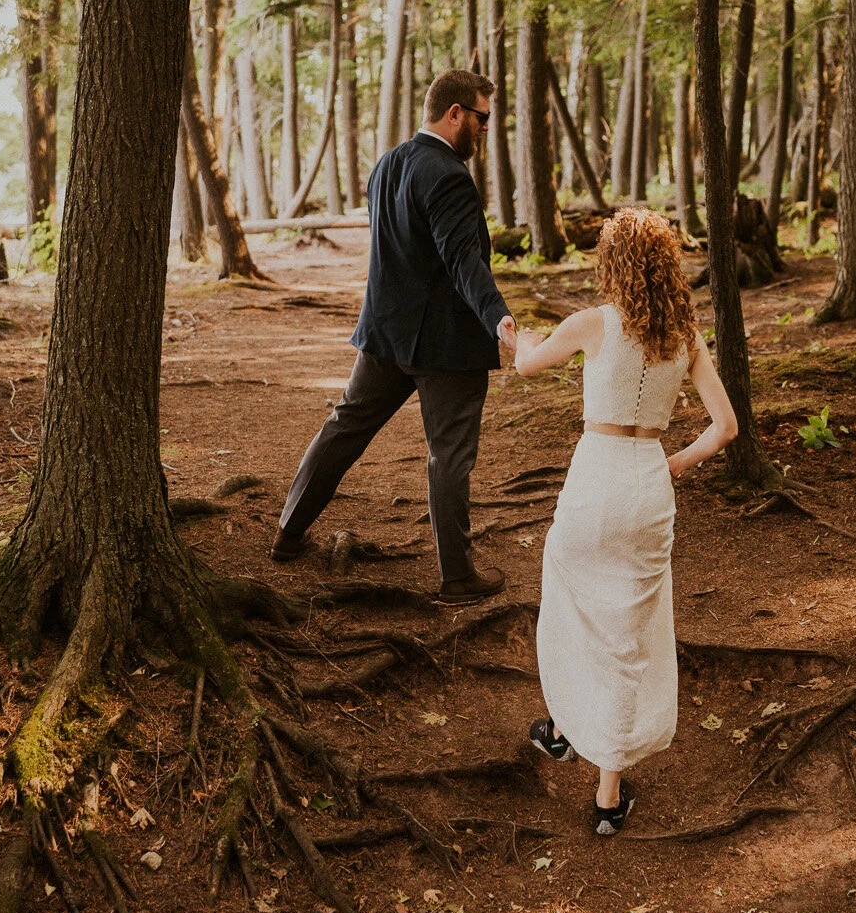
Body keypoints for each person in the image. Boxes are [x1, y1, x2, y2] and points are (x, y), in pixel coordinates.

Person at [508, 209, 737, 834]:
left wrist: (517, 337)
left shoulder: (592, 324)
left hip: (595, 477)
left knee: (572, 596)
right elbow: (727, 426)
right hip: (647, 481)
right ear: (666, 269)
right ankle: (607, 798)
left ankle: (560, 729)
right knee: (629, 628)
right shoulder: (685, 339)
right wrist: (677, 462)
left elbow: (527, 364)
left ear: (613, 265)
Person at [272, 68, 516, 607]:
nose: (484, 130)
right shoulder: (449, 174)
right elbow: (462, 259)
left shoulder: (389, 163)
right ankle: (457, 577)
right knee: (449, 454)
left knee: (344, 427)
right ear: (455, 113)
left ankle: (288, 531)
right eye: (482, 118)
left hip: (386, 334)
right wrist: (497, 317)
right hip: (445, 345)